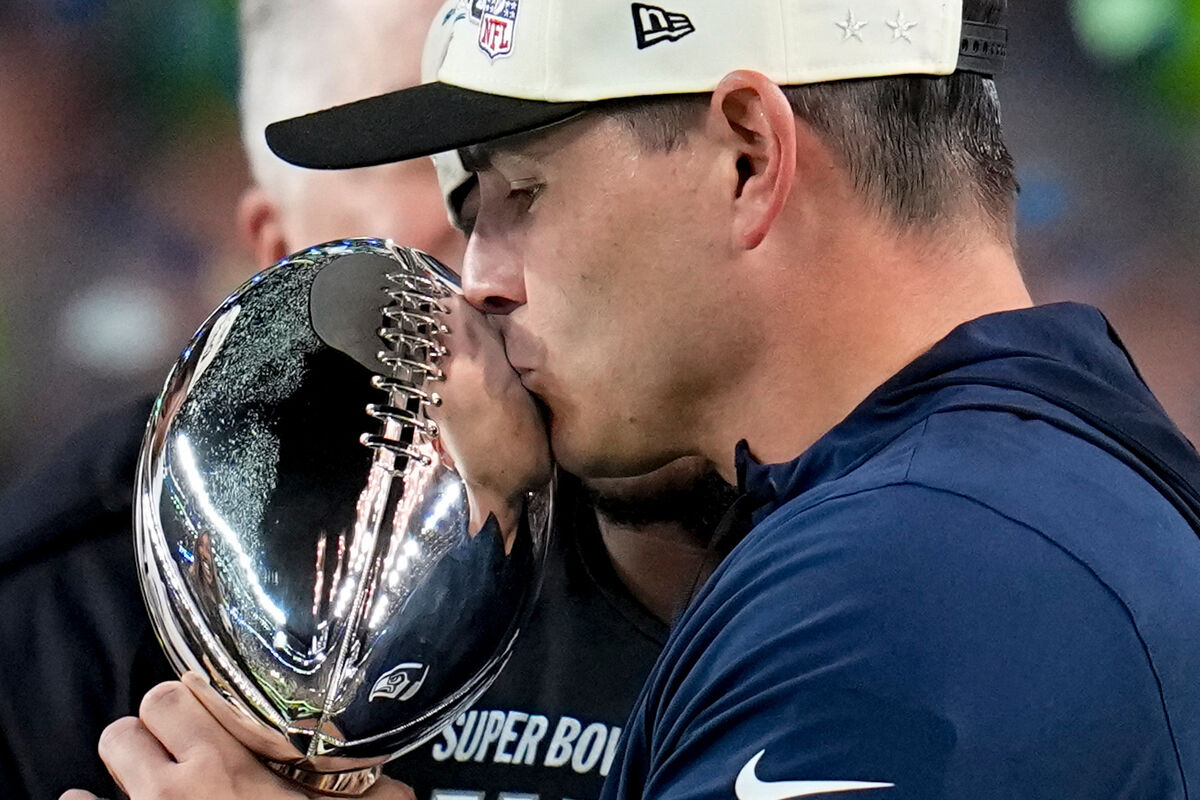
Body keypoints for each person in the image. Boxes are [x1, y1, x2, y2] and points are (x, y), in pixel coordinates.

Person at [69, 0, 1200, 797]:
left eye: (521, 189)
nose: (481, 275)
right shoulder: (1026, 502)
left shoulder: (913, 583)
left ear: (749, 155)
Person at [2, 2, 734, 800]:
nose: (494, 269)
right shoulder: (89, 596)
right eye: (443, 173)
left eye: (533, 172)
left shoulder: (744, 505)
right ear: (281, 260)